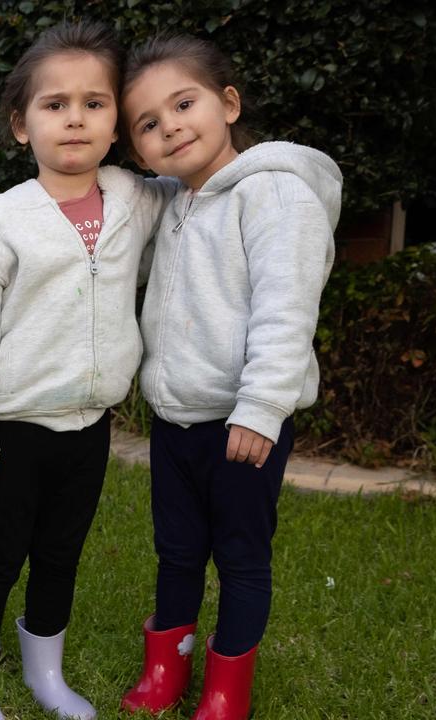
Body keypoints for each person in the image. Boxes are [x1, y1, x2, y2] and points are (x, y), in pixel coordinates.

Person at [0, 21, 174, 720]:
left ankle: (46, 671)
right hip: (13, 427)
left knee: (60, 554)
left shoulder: (136, 198)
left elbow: (205, 183)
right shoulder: (0, 220)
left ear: (117, 125)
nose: (75, 117)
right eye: (54, 104)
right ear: (21, 126)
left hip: (91, 423)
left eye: (94, 103)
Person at [117, 34, 339, 720]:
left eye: (184, 103)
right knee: (176, 551)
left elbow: (285, 307)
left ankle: (225, 689)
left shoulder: (276, 195)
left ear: (229, 104)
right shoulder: (175, 204)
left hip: (244, 424)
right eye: (148, 124)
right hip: (175, 420)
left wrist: (261, 406)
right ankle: (168, 672)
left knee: (241, 556)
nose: (171, 126)